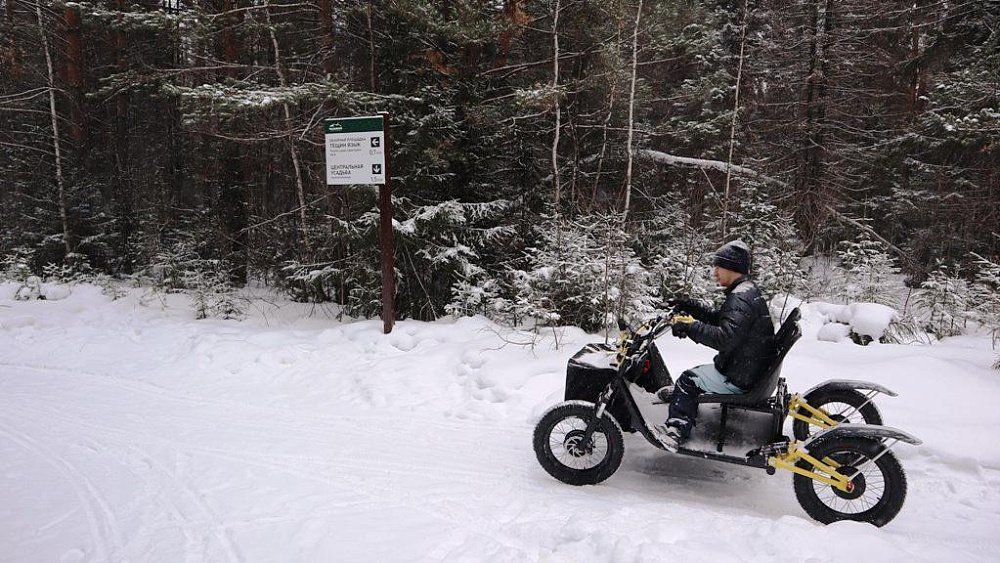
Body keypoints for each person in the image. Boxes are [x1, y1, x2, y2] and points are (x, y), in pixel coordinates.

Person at [652, 240, 777, 451]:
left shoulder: (740, 299)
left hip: (740, 376)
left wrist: (690, 327)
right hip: (747, 368)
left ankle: (676, 431)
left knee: (688, 379)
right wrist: (691, 308)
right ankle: (682, 401)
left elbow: (725, 338)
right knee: (694, 376)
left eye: (718, 267)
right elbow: (724, 322)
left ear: (732, 268)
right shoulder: (746, 292)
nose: (715, 273)